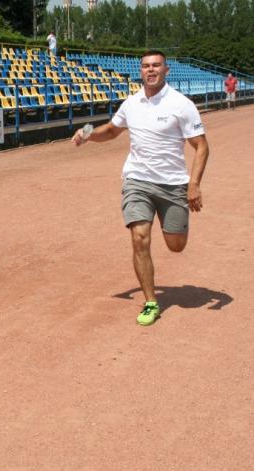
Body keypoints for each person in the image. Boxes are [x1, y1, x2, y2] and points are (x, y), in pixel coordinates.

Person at [72, 49, 209, 327]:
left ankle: (174, 228)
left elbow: (201, 146)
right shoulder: (131, 103)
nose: (151, 70)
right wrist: (87, 134)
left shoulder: (181, 104)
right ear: (141, 71)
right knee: (139, 237)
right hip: (137, 180)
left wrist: (194, 184)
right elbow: (112, 130)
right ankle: (151, 302)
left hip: (173, 184)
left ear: (166, 70)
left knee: (176, 245)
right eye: (146, 66)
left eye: (156, 65)